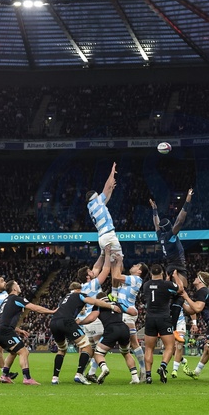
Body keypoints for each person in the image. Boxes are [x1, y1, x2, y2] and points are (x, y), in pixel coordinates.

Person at [50, 282, 121, 385]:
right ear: (79, 289)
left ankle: (55, 378)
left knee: (61, 349)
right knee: (87, 347)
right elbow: (94, 301)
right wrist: (111, 307)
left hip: (53, 322)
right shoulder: (79, 295)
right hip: (66, 321)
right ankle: (79, 375)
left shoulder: (64, 298)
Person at [0, 280, 55, 385]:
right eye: (17, 284)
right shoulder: (17, 299)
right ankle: (27, 378)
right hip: (5, 331)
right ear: (14, 288)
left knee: (13, 352)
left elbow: (4, 319)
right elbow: (35, 308)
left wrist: (18, 330)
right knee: (24, 352)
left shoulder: (6, 301)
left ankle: (4, 376)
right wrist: (52, 311)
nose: (19, 286)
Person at [78, 292, 140, 384]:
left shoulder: (98, 305)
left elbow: (92, 318)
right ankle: (135, 377)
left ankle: (104, 368)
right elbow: (133, 312)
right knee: (126, 353)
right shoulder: (117, 303)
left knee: (98, 354)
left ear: (98, 300)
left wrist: (80, 322)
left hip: (111, 330)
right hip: (124, 328)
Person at [85, 162, 124, 299]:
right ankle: (115, 294)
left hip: (102, 237)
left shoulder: (93, 206)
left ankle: (90, 286)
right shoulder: (95, 202)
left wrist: (111, 189)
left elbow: (107, 196)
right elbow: (106, 188)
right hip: (108, 236)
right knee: (118, 264)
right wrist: (112, 172)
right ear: (94, 197)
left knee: (105, 262)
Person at [77, 247, 112, 381]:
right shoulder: (92, 284)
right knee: (100, 350)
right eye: (90, 272)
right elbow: (105, 270)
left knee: (89, 350)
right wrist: (107, 254)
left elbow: (96, 267)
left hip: (87, 322)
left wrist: (102, 253)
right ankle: (92, 372)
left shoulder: (83, 286)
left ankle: (81, 373)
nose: (93, 271)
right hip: (96, 320)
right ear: (88, 276)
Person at [141, 264, 181, 384]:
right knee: (169, 346)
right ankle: (163, 366)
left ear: (151, 273)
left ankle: (148, 375)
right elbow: (180, 289)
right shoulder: (167, 284)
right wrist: (175, 276)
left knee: (149, 348)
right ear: (162, 273)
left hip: (150, 318)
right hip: (163, 318)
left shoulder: (146, 285)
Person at [112, 259, 149, 380]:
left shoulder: (135, 279)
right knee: (130, 344)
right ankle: (142, 371)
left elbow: (116, 276)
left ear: (139, 271)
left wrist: (118, 261)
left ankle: (143, 370)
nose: (133, 265)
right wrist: (118, 261)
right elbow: (116, 276)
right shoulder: (130, 280)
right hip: (124, 312)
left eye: (136, 265)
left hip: (127, 312)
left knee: (132, 343)